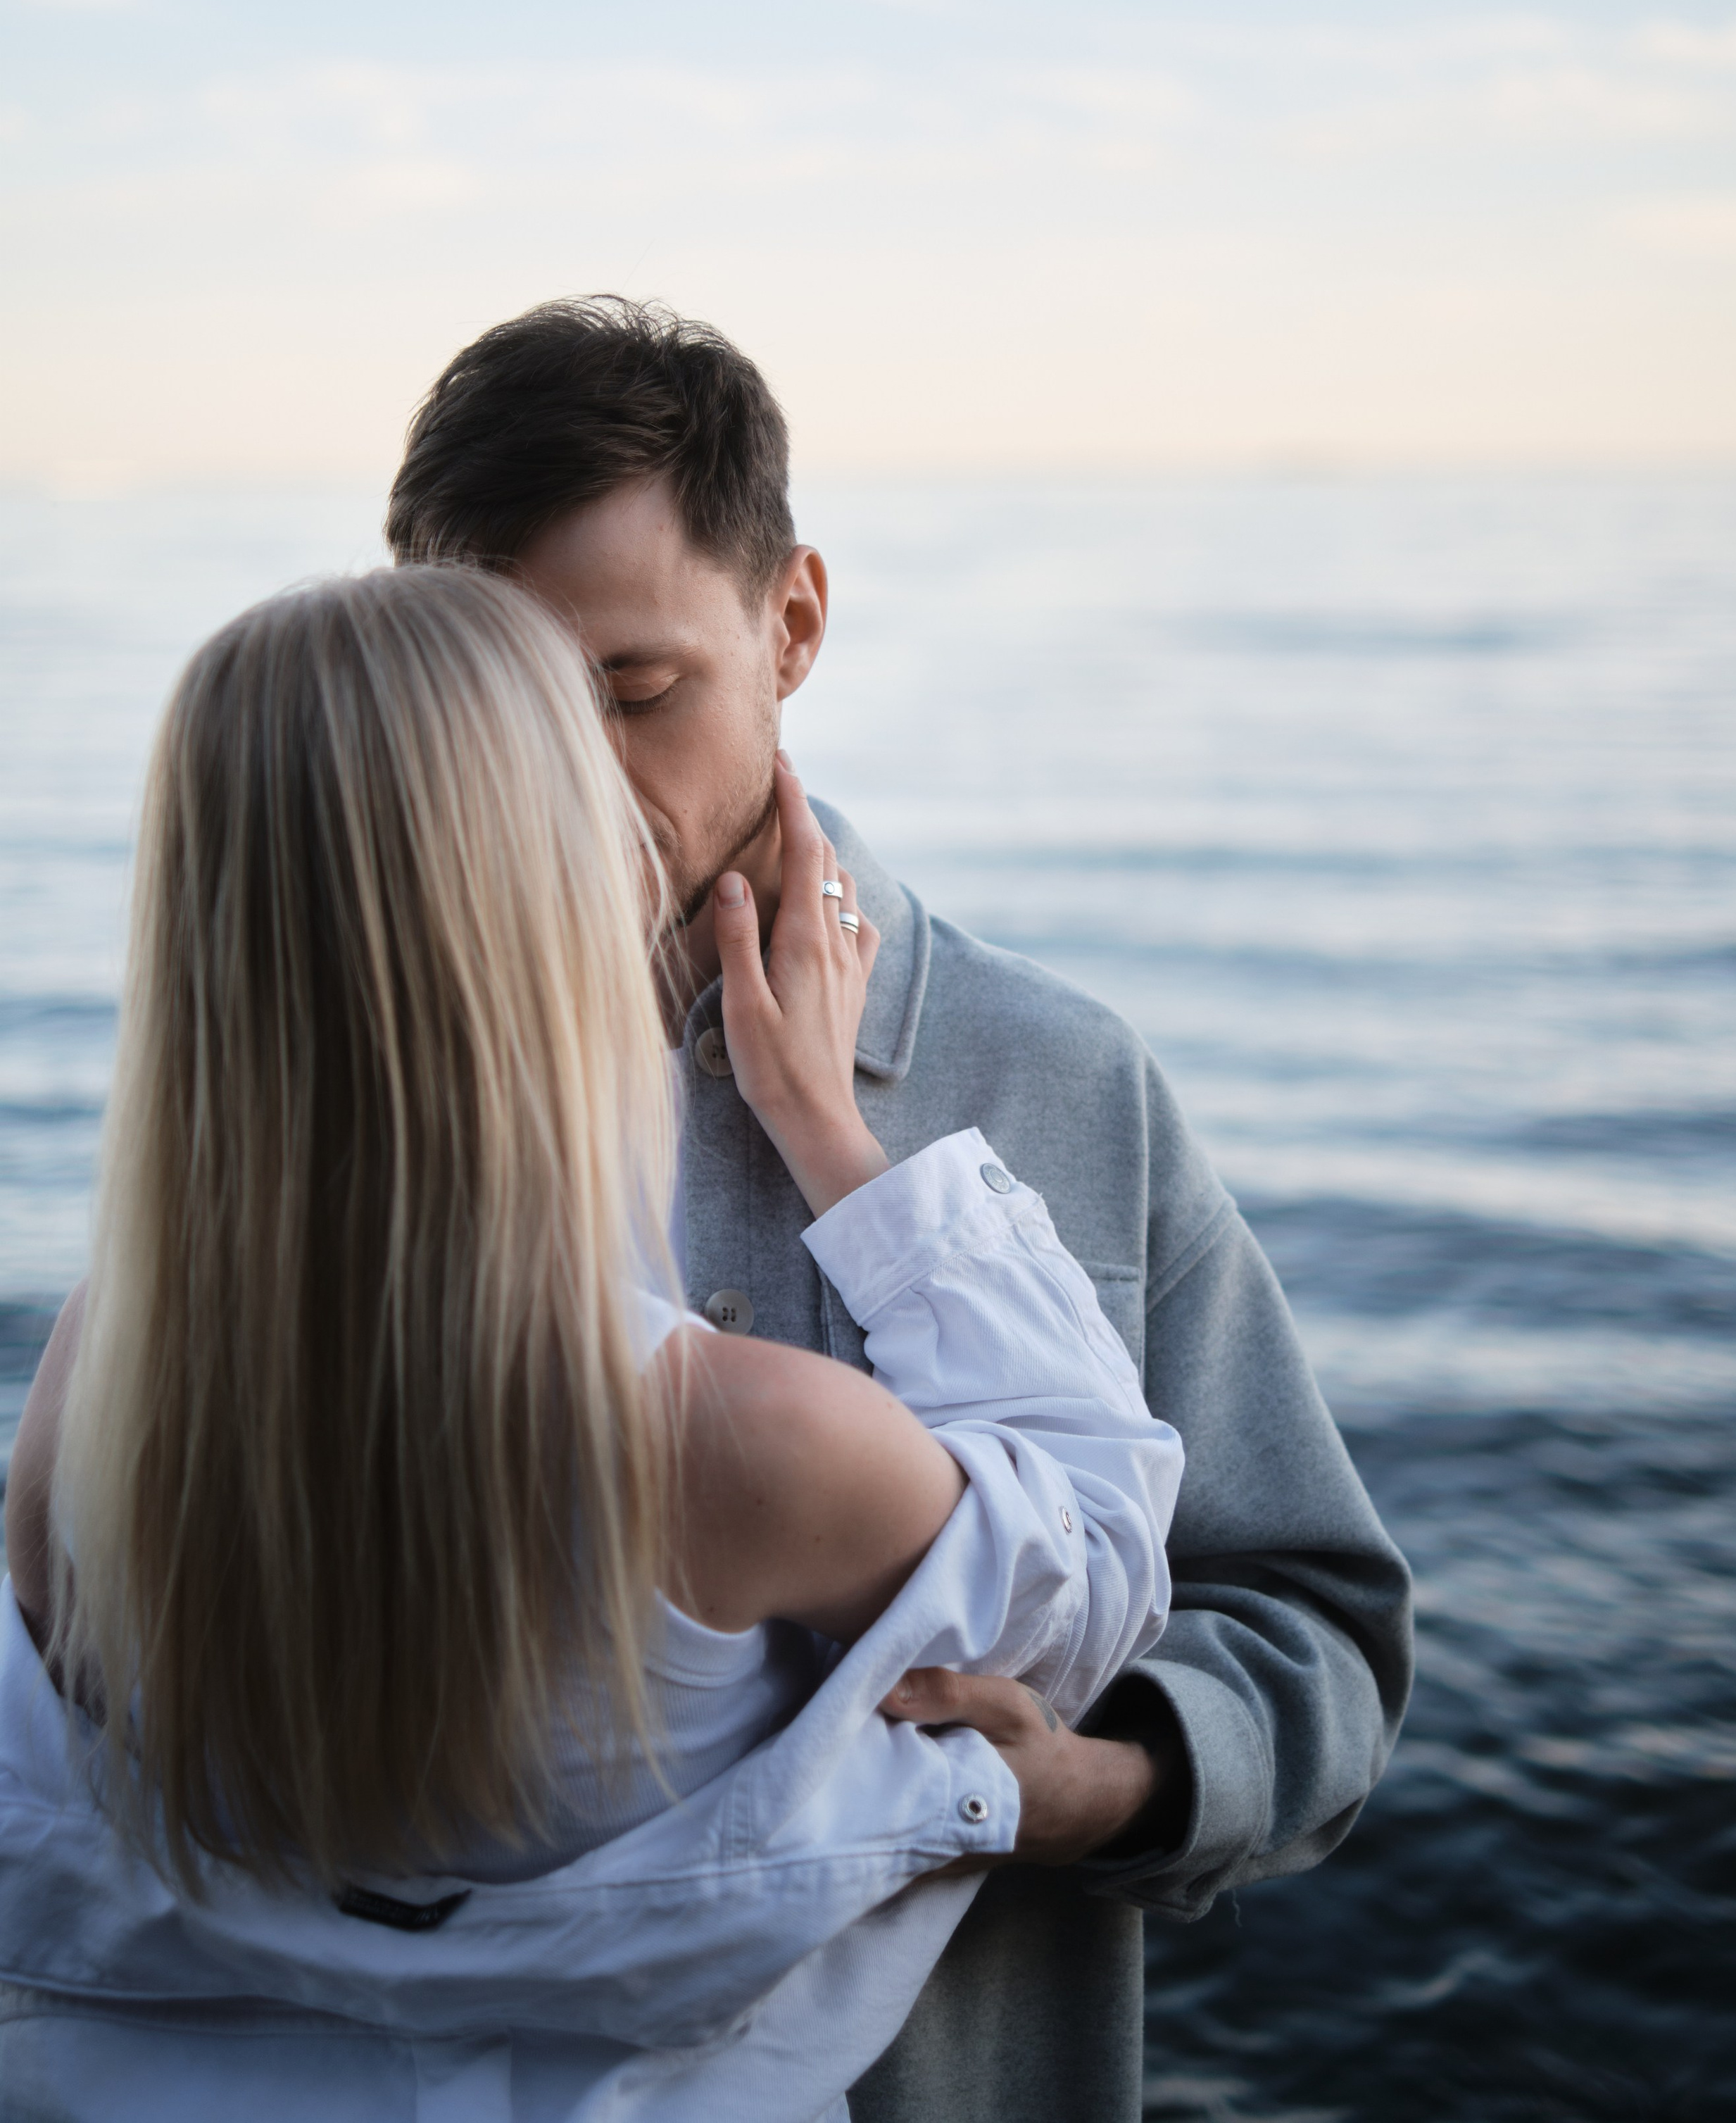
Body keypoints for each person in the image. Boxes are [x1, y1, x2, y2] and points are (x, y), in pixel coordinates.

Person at [384, 296, 1416, 2123]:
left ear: (790, 626)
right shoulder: (344, 1098)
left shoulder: (1059, 1083)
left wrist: (1087, 1788)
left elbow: (1320, 1628)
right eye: (504, 711)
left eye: (633, 695)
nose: (568, 787)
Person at [0, 564, 1182, 2120]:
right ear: (553, 899)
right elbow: (1095, 1545)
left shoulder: (101, 1381)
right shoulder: (732, 1440)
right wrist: (834, 1136)